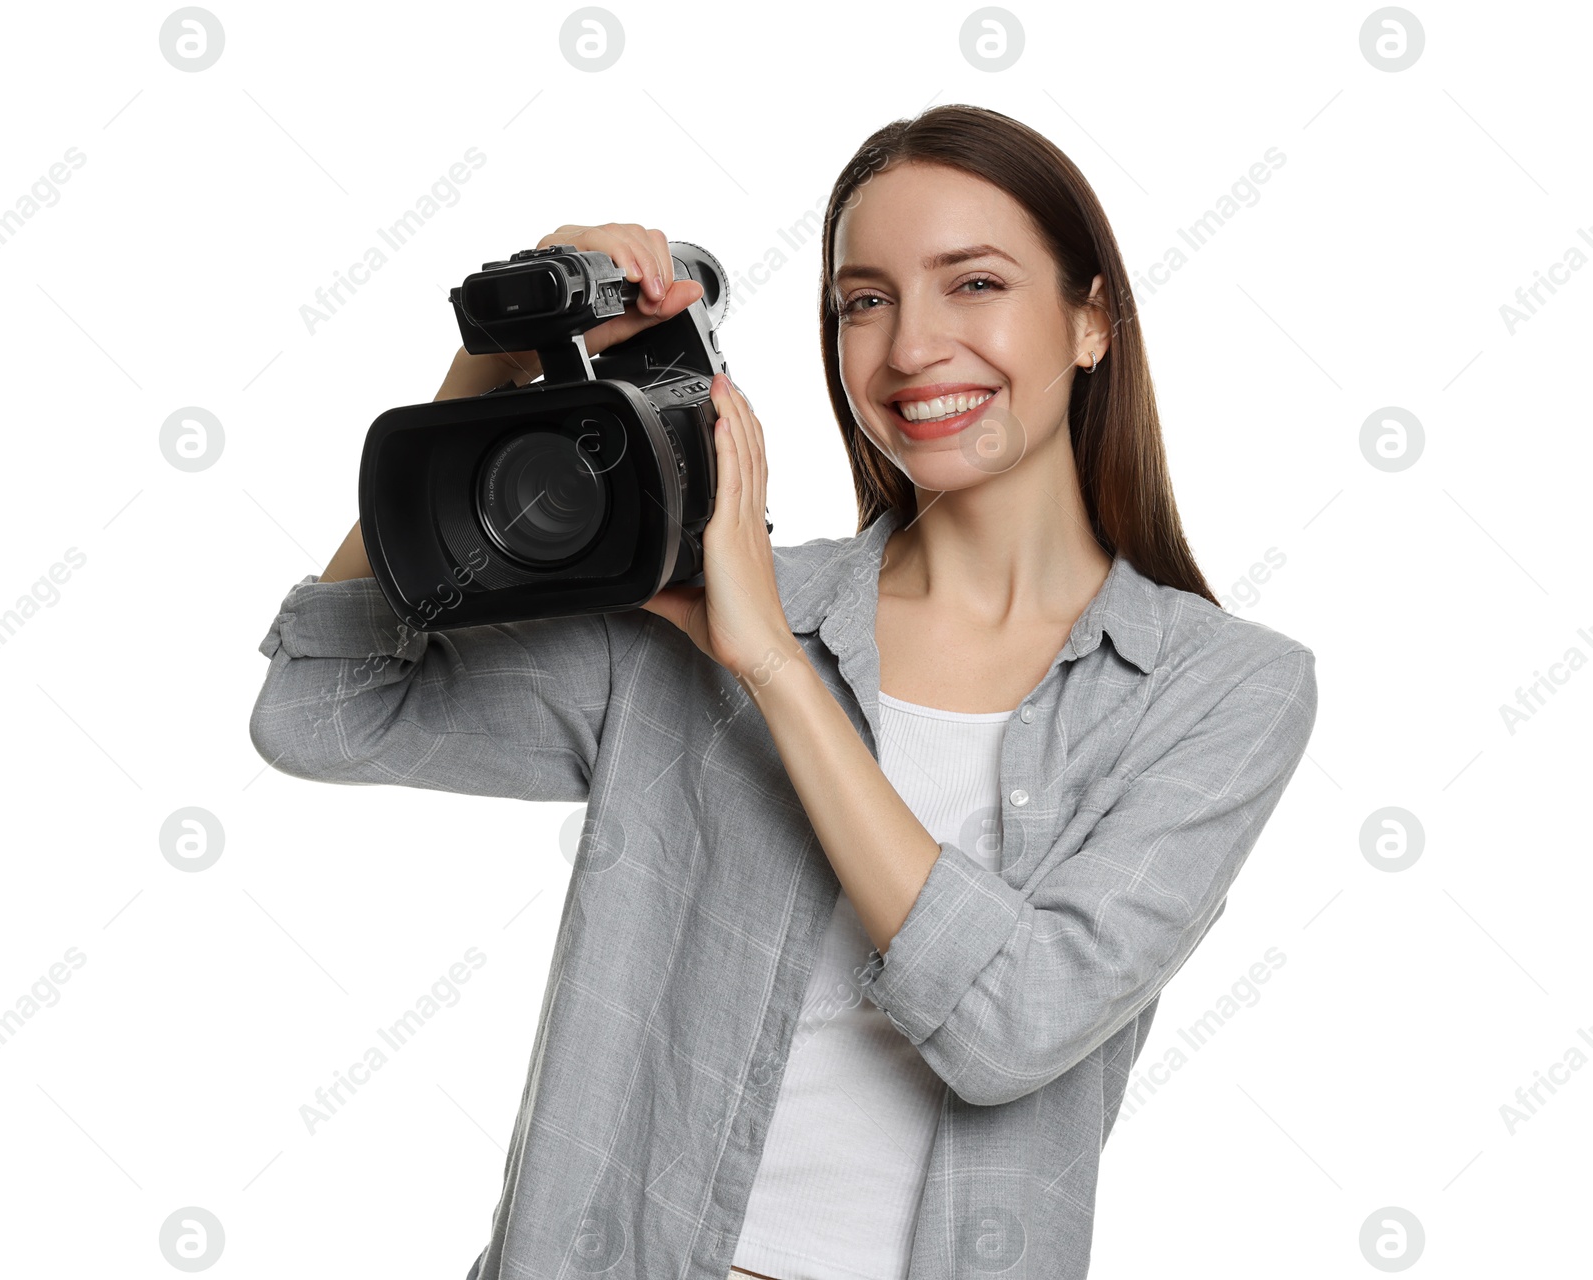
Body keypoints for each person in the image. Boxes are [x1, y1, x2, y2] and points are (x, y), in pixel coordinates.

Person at [250, 103, 1318, 1280]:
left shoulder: (1222, 689)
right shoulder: (687, 610)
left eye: (972, 283)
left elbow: (1014, 1026)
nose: (911, 347)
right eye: (864, 300)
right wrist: (491, 368)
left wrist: (770, 663)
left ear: (1090, 320)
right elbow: (323, 708)